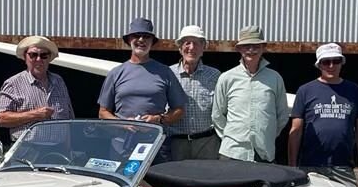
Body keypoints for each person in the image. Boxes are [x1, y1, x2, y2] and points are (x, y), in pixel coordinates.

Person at [288, 42, 358, 187]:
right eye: (326, 62)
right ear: (319, 65)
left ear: (342, 63)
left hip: (343, 167)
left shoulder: (355, 91)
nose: (331, 66)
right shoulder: (305, 91)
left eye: (336, 61)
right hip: (310, 166)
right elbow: (296, 131)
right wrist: (292, 167)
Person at [211, 25, 289, 162]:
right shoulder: (227, 78)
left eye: (256, 46)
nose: (251, 50)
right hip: (233, 153)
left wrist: (267, 135)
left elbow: (282, 115)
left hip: (263, 153)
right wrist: (231, 136)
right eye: (246, 46)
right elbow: (217, 115)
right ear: (239, 49)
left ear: (263, 48)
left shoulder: (275, 78)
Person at [98, 17, 186, 127]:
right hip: (121, 141)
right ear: (129, 40)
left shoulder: (165, 72)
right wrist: (122, 124)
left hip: (156, 142)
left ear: (152, 41)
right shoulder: (115, 73)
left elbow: (180, 110)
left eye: (146, 36)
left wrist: (159, 119)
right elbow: (103, 112)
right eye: (136, 35)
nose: (141, 39)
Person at [0, 36, 75, 144]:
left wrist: (70, 149)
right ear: (25, 57)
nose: (38, 59)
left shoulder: (59, 81)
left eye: (43, 55)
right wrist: (34, 114)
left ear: (49, 58)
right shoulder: (13, 83)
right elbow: (0, 119)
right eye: (33, 55)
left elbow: (69, 118)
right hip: (26, 149)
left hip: (59, 149)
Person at [167, 25, 221, 160]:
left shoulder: (215, 76)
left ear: (203, 48)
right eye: (187, 43)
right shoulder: (168, 74)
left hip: (207, 143)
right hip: (176, 143)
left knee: (207, 179)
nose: (191, 48)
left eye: (196, 43)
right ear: (180, 48)